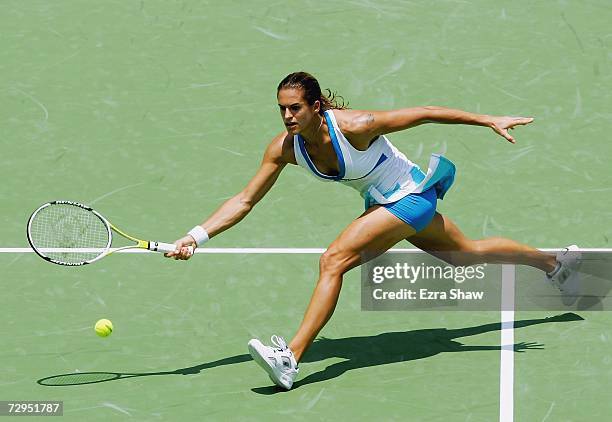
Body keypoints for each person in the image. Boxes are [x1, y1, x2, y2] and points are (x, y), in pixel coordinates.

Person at [165, 71, 581, 390]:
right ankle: (555, 264)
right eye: (282, 109)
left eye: (295, 108)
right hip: (384, 204)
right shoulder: (285, 148)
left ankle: (290, 358)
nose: (288, 116)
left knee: (333, 260)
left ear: (315, 107)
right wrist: (195, 236)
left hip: (410, 197)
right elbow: (244, 200)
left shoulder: (356, 125)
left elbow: (424, 113)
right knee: (467, 253)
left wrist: (487, 119)